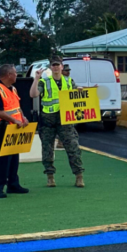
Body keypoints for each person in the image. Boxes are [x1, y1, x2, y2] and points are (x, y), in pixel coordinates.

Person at [29, 56, 84, 188]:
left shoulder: (69, 81)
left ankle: (79, 176)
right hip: (48, 121)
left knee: (73, 147)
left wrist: (82, 90)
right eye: (53, 65)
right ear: (50, 67)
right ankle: (50, 177)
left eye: (57, 65)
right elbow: (33, 94)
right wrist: (36, 79)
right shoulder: (44, 81)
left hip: (65, 120)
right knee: (47, 149)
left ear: (62, 66)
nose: (55, 67)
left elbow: (76, 94)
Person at [0, 64, 30, 198]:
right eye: (15, 73)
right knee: (1, 160)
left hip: (13, 128)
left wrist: (23, 117)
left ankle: (13, 184)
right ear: (8, 75)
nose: (17, 75)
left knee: (13, 159)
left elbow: (17, 107)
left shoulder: (13, 88)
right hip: (1, 128)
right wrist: (15, 120)